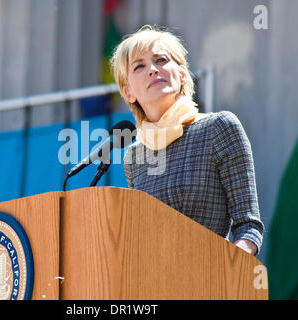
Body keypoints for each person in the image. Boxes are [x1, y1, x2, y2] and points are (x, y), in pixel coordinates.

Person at [110, 25, 264, 255]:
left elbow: (248, 227)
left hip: (209, 282)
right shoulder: (134, 156)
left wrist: (227, 273)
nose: (152, 69)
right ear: (129, 92)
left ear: (182, 75)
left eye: (161, 60)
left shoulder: (218, 128)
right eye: (139, 66)